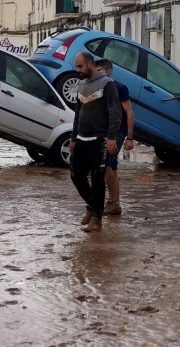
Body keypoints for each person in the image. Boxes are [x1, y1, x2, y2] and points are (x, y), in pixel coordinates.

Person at [70, 51, 122, 232]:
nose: (78, 70)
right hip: (82, 139)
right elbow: (78, 113)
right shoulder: (81, 85)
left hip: (100, 140)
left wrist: (112, 137)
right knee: (76, 175)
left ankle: (97, 219)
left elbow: (116, 112)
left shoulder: (107, 84)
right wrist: (73, 138)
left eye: (80, 66)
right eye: (76, 67)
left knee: (98, 179)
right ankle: (93, 206)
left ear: (90, 64)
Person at [95, 58, 135, 216]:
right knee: (112, 167)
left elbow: (130, 112)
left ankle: (112, 202)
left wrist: (130, 138)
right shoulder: (98, 88)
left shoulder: (120, 88)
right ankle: (115, 203)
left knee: (106, 166)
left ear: (109, 71)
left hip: (117, 132)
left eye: (100, 71)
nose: (97, 74)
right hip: (105, 132)